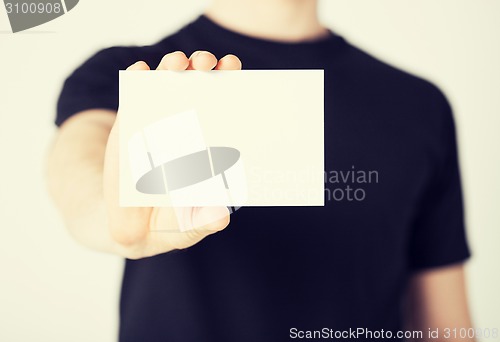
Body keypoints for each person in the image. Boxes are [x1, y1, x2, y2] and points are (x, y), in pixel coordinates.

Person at [47, 0, 475, 341]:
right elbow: (81, 165)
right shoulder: (130, 76)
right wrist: (113, 214)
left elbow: (444, 326)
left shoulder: (417, 106)